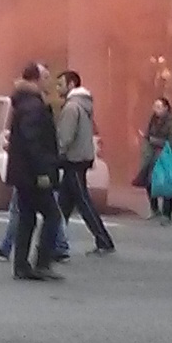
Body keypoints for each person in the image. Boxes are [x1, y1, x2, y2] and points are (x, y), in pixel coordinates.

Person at [1, 65, 62, 280]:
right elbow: (34, 142)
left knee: (27, 217)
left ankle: (21, 265)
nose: (49, 81)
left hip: (23, 172)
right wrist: (43, 171)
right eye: (46, 76)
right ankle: (42, 262)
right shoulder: (34, 106)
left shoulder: (24, 102)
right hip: (33, 173)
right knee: (52, 215)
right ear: (36, 79)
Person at [54, 71, 116, 255]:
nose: (58, 88)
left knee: (83, 202)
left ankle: (104, 240)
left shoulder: (72, 107)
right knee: (63, 204)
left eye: (61, 84)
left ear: (71, 84)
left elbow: (65, 136)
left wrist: (57, 153)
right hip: (80, 158)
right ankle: (54, 242)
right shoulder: (83, 104)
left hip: (74, 159)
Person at [139, 96, 172, 223]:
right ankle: (154, 209)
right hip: (151, 155)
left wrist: (153, 140)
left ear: (166, 108)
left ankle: (167, 214)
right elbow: (149, 133)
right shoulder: (153, 119)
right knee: (149, 182)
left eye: (159, 107)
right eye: (155, 107)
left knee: (166, 185)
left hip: (165, 155)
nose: (156, 110)